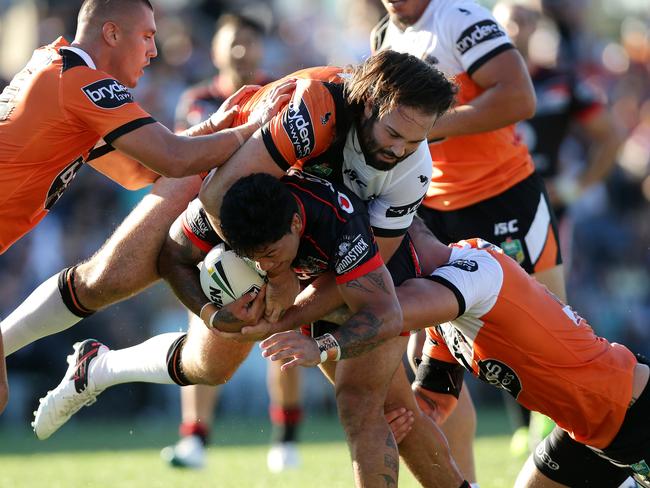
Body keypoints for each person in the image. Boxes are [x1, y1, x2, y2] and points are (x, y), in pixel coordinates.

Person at [2, 50, 453, 398]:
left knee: (212, 367)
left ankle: (98, 370)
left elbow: (364, 273)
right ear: (369, 103)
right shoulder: (318, 107)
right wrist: (276, 275)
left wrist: (283, 316)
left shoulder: (413, 170)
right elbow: (219, 195)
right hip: (227, 170)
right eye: (393, 134)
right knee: (111, 278)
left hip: (295, 217)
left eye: (415, 141)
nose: (399, 150)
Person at [34, 172, 469, 488]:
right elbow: (172, 255)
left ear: (296, 226)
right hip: (306, 282)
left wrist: (312, 340)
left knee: (364, 406)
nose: (263, 265)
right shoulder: (224, 204)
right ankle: (102, 365)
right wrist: (210, 314)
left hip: (366, 280)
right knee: (207, 366)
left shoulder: (336, 219)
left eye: (271, 254)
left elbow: (380, 311)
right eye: (252, 257)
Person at [0, 0, 290, 414]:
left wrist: (217, 126)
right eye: (147, 36)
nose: (153, 51)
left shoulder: (59, 70)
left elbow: (141, 171)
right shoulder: (81, 81)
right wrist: (256, 128)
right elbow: (173, 158)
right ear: (112, 34)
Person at [261, 223, 650, 488]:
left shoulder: (474, 270)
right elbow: (434, 400)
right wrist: (401, 422)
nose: (370, 275)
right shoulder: (445, 318)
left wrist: (318, 341)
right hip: (585, 432)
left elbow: (386, 312)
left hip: (635, 409)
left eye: (374, 261)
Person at [371, 0, 565, 483]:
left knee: (550, 350)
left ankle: (605, 465)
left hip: (505, 201)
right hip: (431, 212)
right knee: (433, 363)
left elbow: (520, 98)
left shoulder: (460, 18)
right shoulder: (382, 37)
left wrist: (428, 124)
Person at [162, 13, 300, 472]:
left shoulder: (278, 93)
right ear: (215, 49)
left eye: (249, 42)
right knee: (202, 324)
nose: (242, 51)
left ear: (262, 48)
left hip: (264, 228)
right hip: (211, 230)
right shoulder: (198, 100)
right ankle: (195, 438)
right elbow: (188, 160)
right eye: (233, 43)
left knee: (282, 324)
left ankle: (286, 436)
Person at [492, 0, 625, 456]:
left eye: (528, 19)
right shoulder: (472, 83)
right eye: (511, 19)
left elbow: (609, 134)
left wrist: (577, 184)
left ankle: (551, 414)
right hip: (487, 209)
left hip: (546, 210)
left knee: (550, 310)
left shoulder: (562, 81)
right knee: (495, 309)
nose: (520, 28)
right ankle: (521, 417)